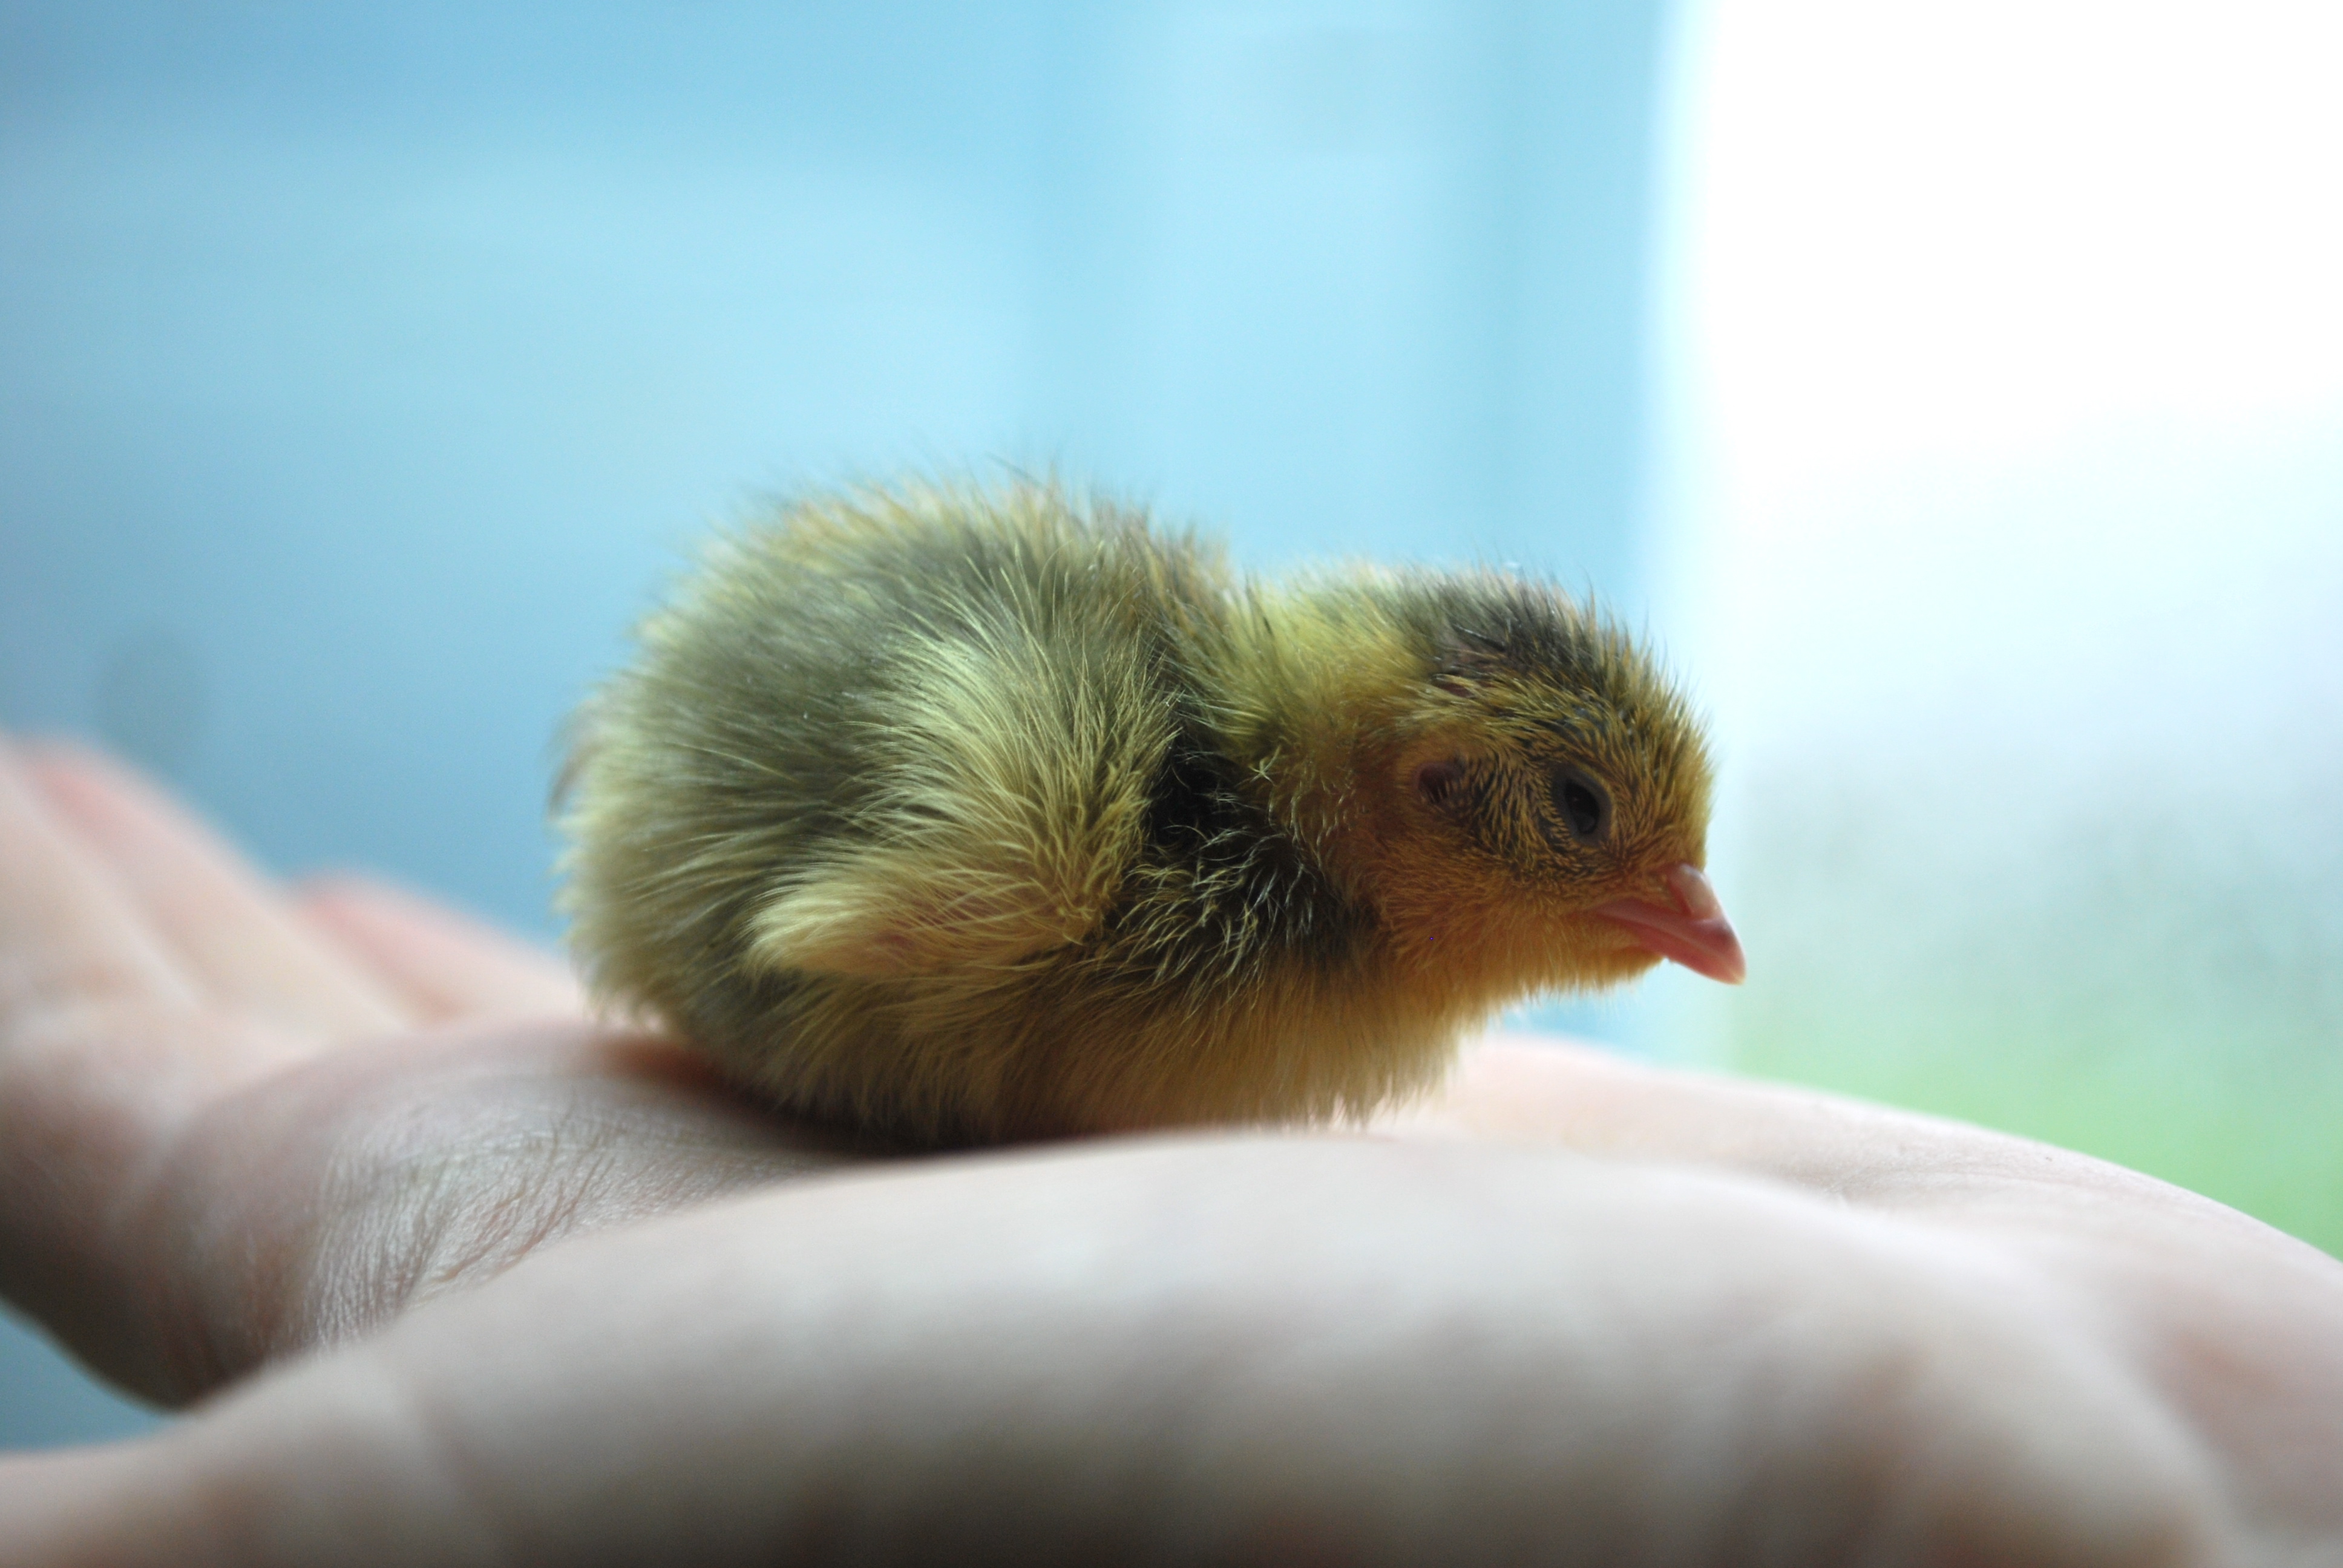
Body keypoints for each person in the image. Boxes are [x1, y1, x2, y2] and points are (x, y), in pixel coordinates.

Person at [0, 736, 2335, 1567]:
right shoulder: (1145, 891)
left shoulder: (1329, 991)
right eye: (1586, 826)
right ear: (1421, 792)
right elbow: (873, 899)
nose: (1686, 915)